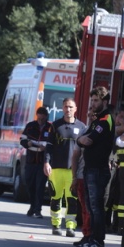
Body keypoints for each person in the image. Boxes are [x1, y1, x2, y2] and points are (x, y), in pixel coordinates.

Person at [75, 86, 115, 247]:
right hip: (90, 169)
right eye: (92, 100)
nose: (93, 103)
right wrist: (80, 140)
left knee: (97, 207)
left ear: (105, 101)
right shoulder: (97, 120)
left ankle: (98, 241)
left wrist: (82, 139)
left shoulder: (106, 120)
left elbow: (90, 139)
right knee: (91, 207)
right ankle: (91, 238)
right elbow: (81, 140)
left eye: (96, 100)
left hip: (98, 170)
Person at [43, 98, 87, 237]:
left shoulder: (82, 127)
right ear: (62, 108)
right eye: (66, 107)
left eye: (70, 107)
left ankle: (70, 227)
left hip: (72, 170)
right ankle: (56, 225)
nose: (68, 109)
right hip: (56, 169)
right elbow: (49, 146)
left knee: (72, 200)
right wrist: (46, 162)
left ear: (75, 109)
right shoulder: (55, 125)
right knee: (55, 198)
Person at [105, 105, 124, 235]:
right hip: (117, 169)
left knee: (121, 198)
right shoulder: (114, 130)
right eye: (120, 116)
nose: (121, 120)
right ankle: (111, 223)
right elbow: (119, 142)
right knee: (110, 197)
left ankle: (119, 225)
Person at [20, 106, 52, 219]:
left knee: (40, 186)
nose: (41, 121)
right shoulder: (30, 126)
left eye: (43, 119)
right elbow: (22, 139)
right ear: (37, 116)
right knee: (29, 183)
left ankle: (38, 210)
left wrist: (46, 148)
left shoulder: (50, 127)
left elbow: (52, 143)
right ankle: (32, 205)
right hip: (31, 160)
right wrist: (26, 143)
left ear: (46, 117)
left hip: (42, 162)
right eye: (39, 118)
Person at [70, 107, 96, 247]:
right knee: (85, 208)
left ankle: (93, 236)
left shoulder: (103, 132)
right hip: (81, 176)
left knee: (94, 208)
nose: (92, 117)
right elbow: (74, 157)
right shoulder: (83, 132)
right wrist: (74, 177)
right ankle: (87, 235)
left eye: (94, 115)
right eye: (90, 115)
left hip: (96, 175)